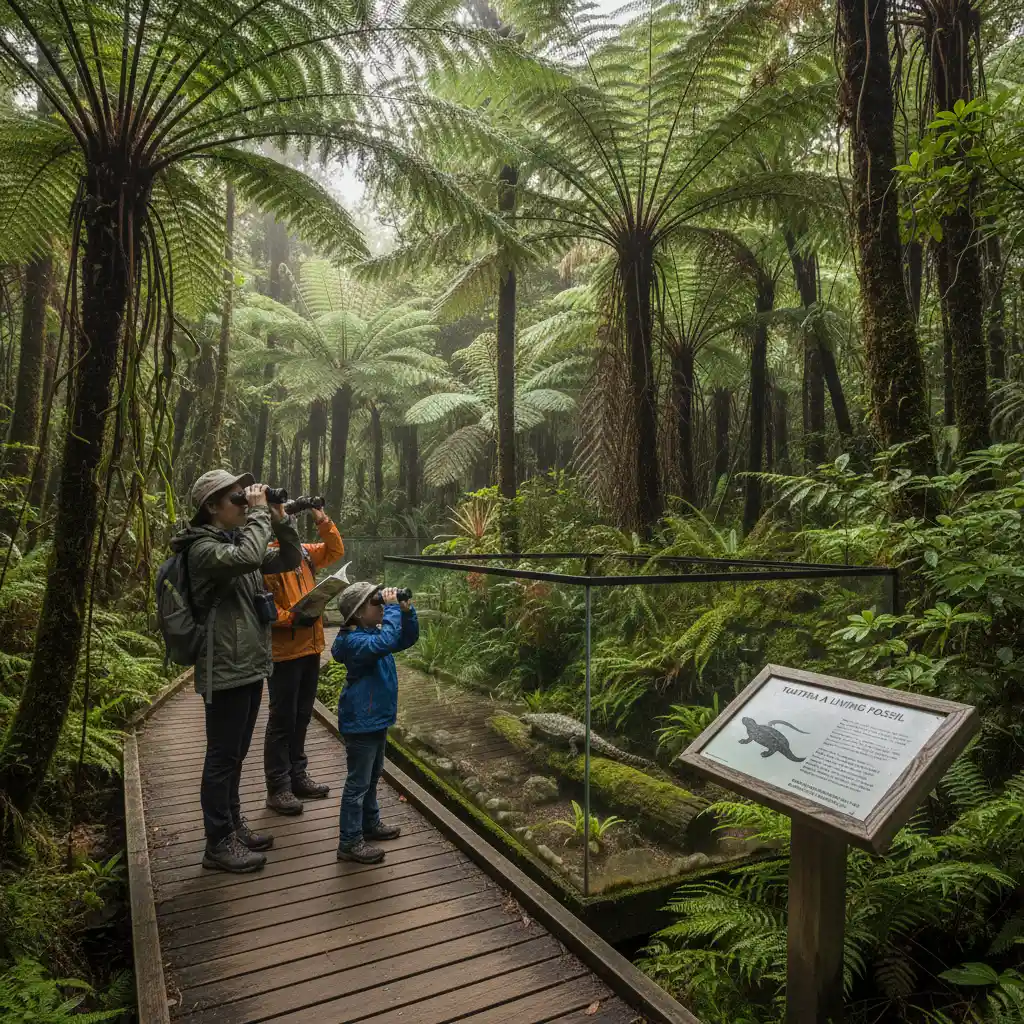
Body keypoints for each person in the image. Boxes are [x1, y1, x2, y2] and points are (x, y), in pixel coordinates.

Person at [170, 470, 302, 873]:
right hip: (224, 665)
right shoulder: (203, 550)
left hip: (248, 663)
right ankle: (217, 842)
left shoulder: (234, 542)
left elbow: (289, 559)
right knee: (222, 756)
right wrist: (260, 514)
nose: (244, 503)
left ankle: (233, 824)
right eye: (236, 499)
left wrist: (278, 517)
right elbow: (248, 557)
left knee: (237, 753)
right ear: (211, 507)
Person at [262, 505, 345, 814]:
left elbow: (335, 549)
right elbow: (264, 609)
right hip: (284, 652)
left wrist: (322, 517)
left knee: (302, 716)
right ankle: (278, 787)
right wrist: (293, 618)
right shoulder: (266, 558)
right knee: (281, 720)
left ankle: (298, 776)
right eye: (285, 524)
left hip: (311, 648)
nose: (290, 528)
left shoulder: (305, 554)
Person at [332, 583, 418, 864]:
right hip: (362, 721)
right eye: (375, 602)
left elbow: (404, 639)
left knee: (372, 776)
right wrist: (392, 609)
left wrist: (405, 612)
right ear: (357, 614)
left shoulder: (369, 634)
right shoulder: (356, 642)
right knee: (358, 784)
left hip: (375, 718)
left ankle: (370, 824)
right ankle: (349, 842)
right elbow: (386, 642)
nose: (381, 605)